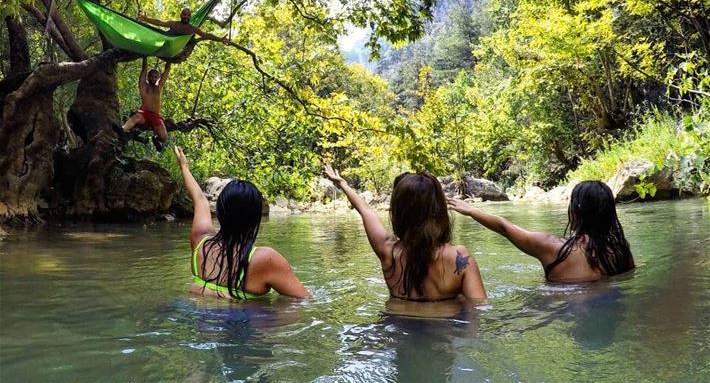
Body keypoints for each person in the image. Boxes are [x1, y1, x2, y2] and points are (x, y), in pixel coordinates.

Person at [323, 163, 486, 301]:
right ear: (439, 210)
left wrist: (342, 183)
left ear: (398, 213)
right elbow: (478, 310)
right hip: (443, 332)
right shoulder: (459, 257)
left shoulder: (388, 251)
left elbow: (366, 211)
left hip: (394, 329)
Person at [174, 146, 310, 299]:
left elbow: (199, 200)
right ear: (256, 217)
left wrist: (184, 166)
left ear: (219, 212)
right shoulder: (265, 259)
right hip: (244, 321)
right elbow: (305, 301)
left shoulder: (201, 244)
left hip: (202, 319)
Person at [448, 180, 635, 283]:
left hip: (558, 307)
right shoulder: (621, 253)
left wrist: (471, 211)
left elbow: (505, 227)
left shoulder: (554, 248)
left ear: (575, 212)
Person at [122, 57, 171, 152]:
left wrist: (169, 59)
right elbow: (144, 68)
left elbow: (167, 70)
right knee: (137, 117)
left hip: (155, 116)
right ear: (148, 77)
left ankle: (155, 139)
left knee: (164, 137)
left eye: (155, 77)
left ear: (158, 78)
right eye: (151, 76)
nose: (153, 78)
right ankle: (123, 129)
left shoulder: (159, 87)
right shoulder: (143, 86)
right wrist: (145, 57)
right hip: (144, 114)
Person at [138, 7, 229, 43]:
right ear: (181, 15)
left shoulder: (192, 29)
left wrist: (220, 39)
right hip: (168, 40)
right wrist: (146, 19)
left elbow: (206, 35)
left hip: (180, 46)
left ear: (190, 17)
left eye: (188, 15)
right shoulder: (174, 24)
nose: (186, 16)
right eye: (184, 14)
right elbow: (160, 23)